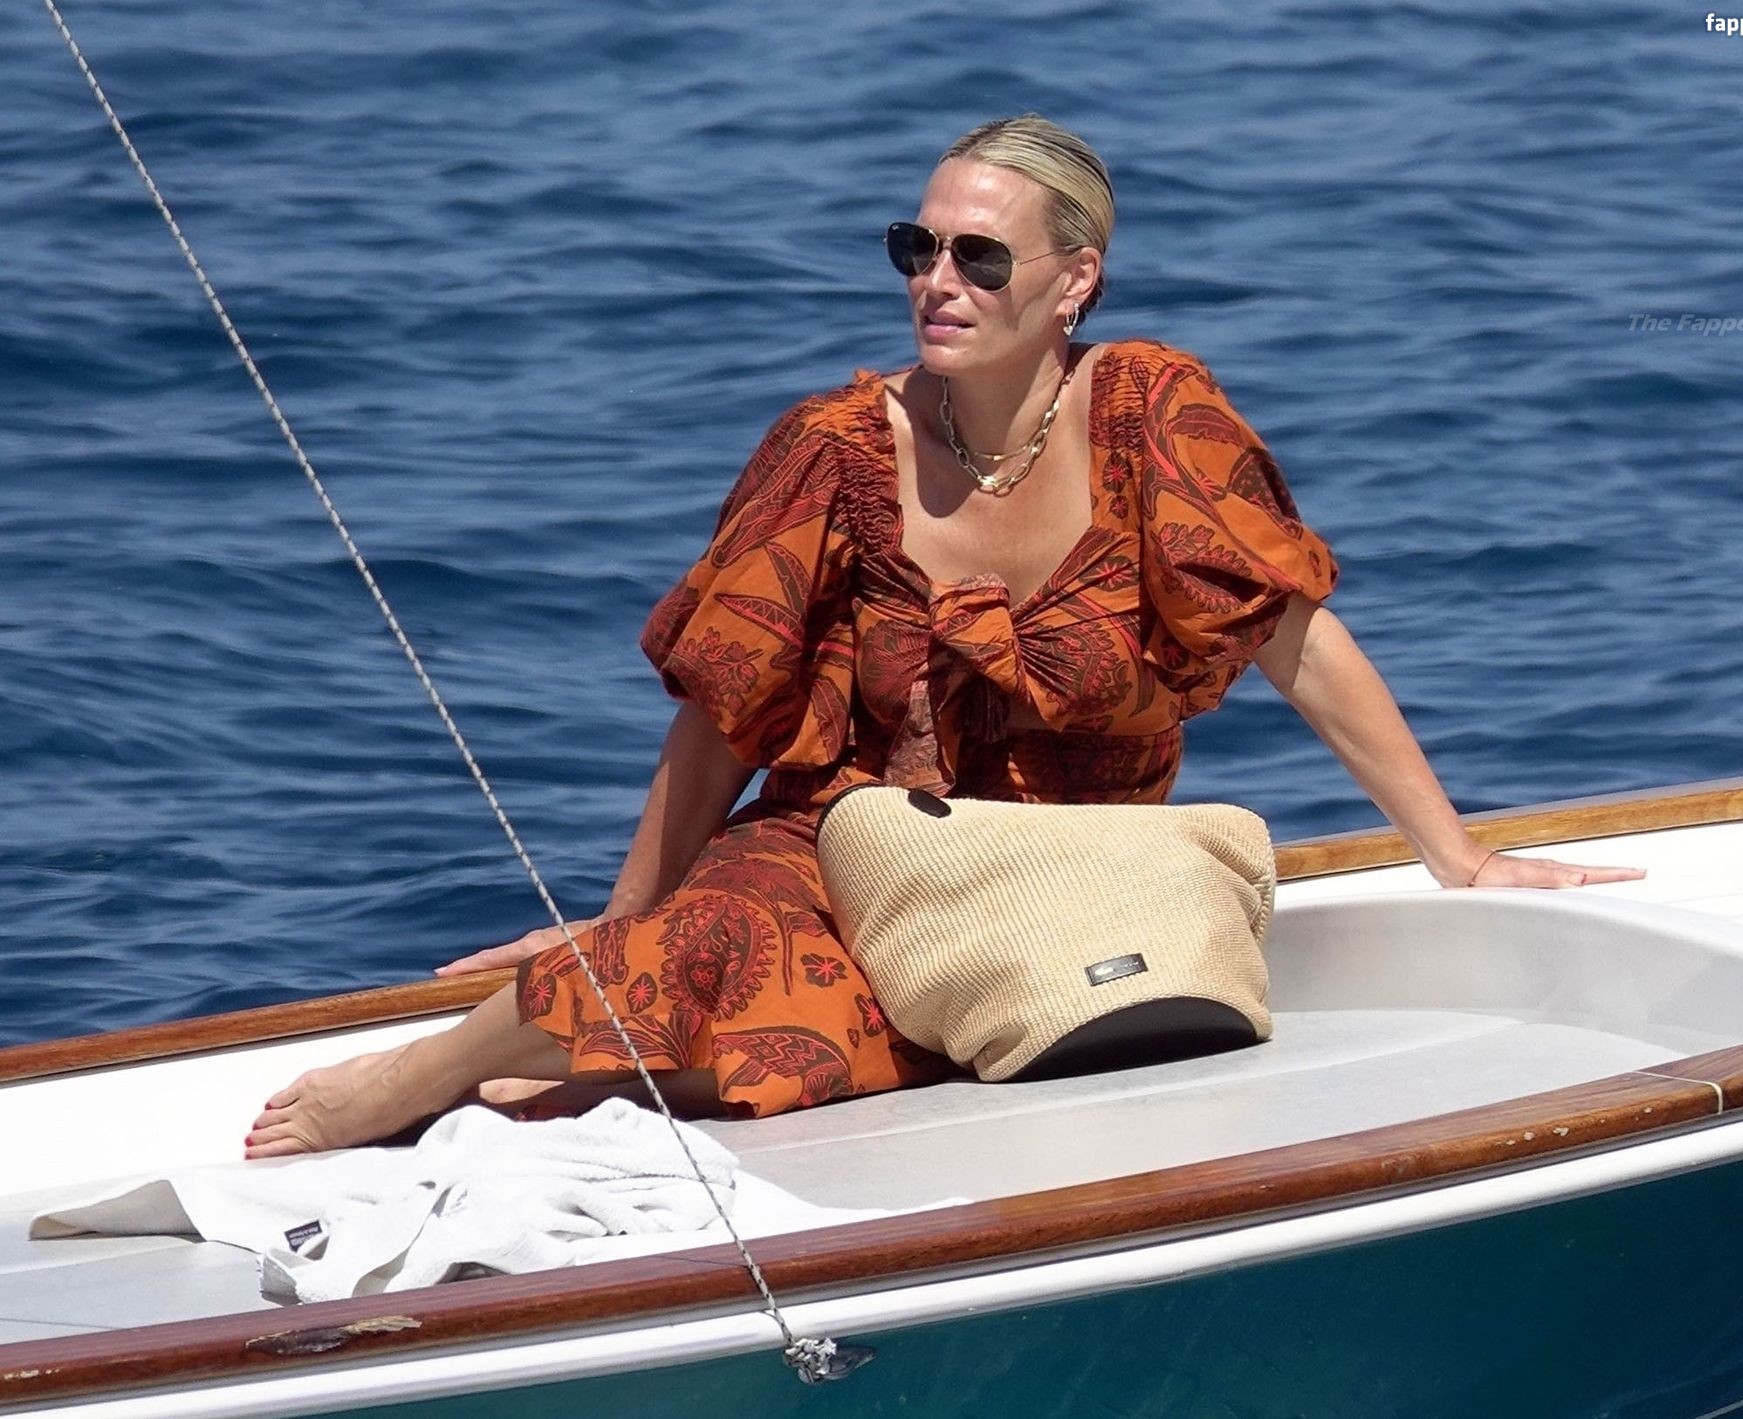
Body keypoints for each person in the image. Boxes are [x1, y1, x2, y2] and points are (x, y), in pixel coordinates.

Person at [245, 114, 1645, 1159]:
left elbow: (1299, 642)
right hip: (845, 842)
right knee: (708, 954)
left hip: (1058, 874)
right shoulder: (833, 447)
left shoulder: (1153, 414)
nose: (938, 280)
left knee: (811, 1061)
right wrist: (626, 919)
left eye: (980, 256)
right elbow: (723, 711)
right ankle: (412, 1082)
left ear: (1073, 281)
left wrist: (1456, 857)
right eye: (917, 249)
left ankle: (577, 1056)